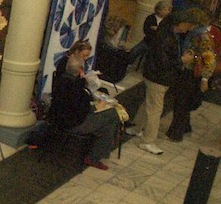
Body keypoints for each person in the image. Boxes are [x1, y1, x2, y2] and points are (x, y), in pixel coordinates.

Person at [47, 40, 121, 170]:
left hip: (59, 118)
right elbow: (82, 110)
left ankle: (103, 141)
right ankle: (96, 154)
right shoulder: (76, 88)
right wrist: (96, 106)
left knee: (106, 123)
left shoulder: (62, 82)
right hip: (72, 123)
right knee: (112, 115)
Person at [127, 10, 190, 154]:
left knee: (149, 103)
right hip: (158, 77)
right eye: (188, 24)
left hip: (158, 76)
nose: (189, 27)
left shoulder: (170, 34)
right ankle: (148, 141)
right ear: (180, 24)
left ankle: (136, 127)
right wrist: (182, 60)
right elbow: (163, 62)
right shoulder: (166, 37)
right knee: (155, 109)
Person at [166, 9, 215, 142]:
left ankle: (176, 133)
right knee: (182, 101)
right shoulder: (193, 33)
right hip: (186, 70)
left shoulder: (203, 36)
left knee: (182, 103)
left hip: (192, 73)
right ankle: (185, 127)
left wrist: (205, 78)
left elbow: (209, 58)